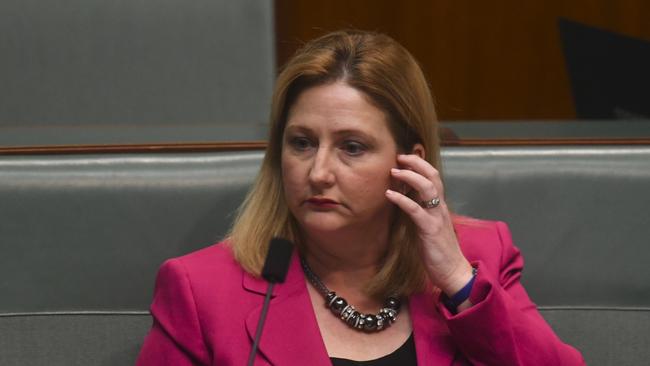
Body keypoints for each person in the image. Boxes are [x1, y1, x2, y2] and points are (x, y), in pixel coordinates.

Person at [136, 30, 584, 365]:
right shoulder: (201, 291)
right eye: (301, 143)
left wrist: (455, 278)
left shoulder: (478, 260)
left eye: (352, 147)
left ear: (410, 162)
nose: (319, 173)